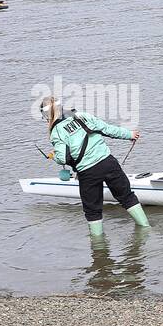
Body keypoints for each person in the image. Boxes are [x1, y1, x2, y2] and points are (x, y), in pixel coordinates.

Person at [43, 97, 148, 236]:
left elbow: (63, 158)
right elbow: (107, 129)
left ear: (46, 116)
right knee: (127, 197)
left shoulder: (56, 131)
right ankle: (146, 228)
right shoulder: (82, 115)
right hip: (108, 163)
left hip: (88, 173)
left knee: (93, 211)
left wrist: (54, 155)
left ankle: (99, 249)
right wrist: (130, 134)